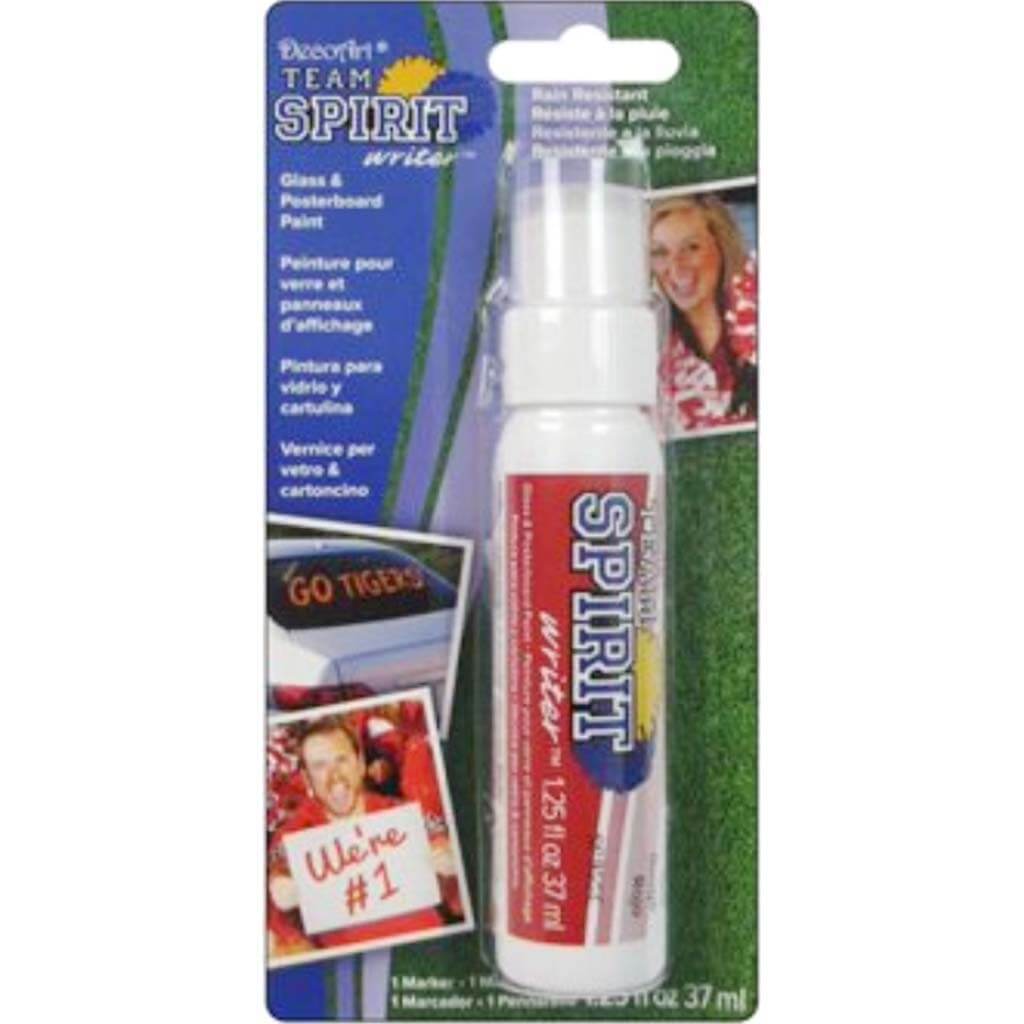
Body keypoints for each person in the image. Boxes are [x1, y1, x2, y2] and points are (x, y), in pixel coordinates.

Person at [267, 714, 456, 956]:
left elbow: (437, 831)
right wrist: (280, 885)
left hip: (429, 949)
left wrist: (446, 852)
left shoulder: (398, 812)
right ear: (307, 778)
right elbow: (277, 866)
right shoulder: (295, 833)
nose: (335, 776)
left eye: (341, 760)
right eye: (320, 766)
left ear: (360, 763)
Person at [650, 194, 758, 434]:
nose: (677, 268)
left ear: (722, 247)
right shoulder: (650, 357)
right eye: (659, 252)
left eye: (692, 247)